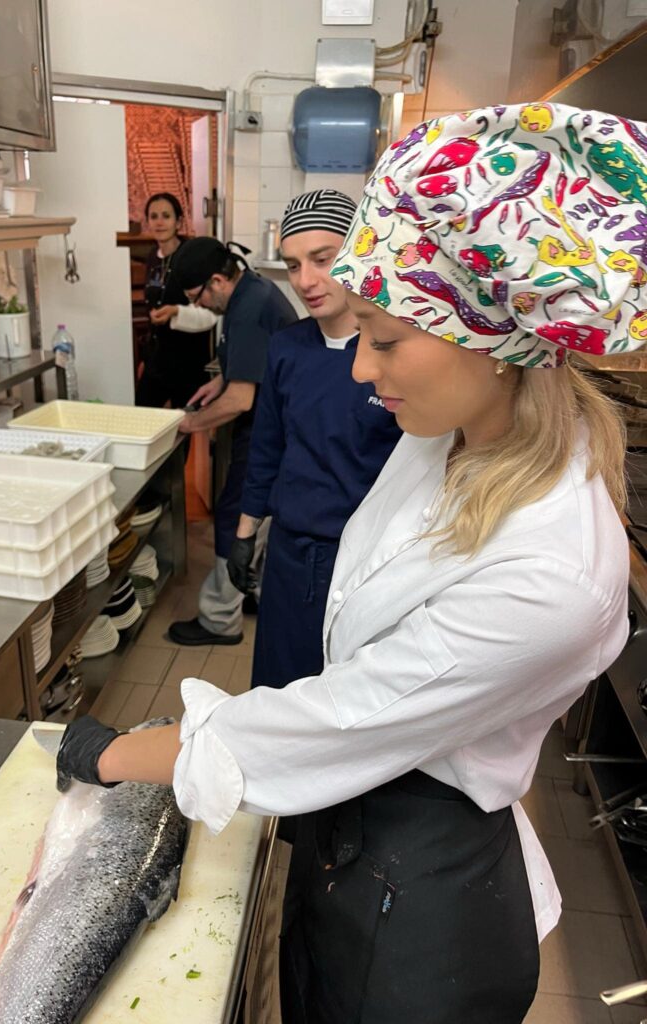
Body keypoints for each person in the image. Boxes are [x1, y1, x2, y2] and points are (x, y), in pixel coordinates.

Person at [55, 103, 647, 1023]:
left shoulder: (551, 574)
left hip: (421, 924)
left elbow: (337, 722)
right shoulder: (451, 435)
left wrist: (117, 754)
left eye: (386, 339)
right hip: (352, 841)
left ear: (495, 341)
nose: (363, 371)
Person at [226, 189, 403, 689]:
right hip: (288, 556)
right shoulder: (287, 348)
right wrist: (245, 533)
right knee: (279, 689)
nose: (305, 280)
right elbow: (267, 447)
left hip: (364, 560)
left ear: (358, 251)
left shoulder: (396, 354)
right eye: (292, 265)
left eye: (322, 260)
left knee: (342, 696)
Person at [167, 237, 298, 646]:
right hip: (276, 423)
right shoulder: (252, 290)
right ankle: (249, 590)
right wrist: (220, 381)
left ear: (218, 281)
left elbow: (241, 400)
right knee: (257, 517)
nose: (201, 306)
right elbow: (251, 362)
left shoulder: (248, 307)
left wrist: (188, 424)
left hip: (269, 429)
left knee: (237, 515)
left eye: (199, 297)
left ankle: (219, 620)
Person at [136, 193, 218, 410]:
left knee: (187, 421)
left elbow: (211, 315)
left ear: (179, 222)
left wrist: (176, 312)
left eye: (166, 216)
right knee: (143, 415)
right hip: (157, 360)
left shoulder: (192, 257)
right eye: (154, 217)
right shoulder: (153, 257)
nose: (159, 222)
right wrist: (146, 358)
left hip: (188, 362)